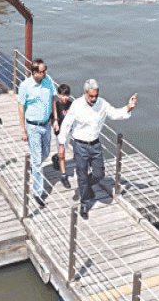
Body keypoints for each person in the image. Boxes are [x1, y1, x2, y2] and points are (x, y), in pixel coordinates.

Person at [58, 79, 138, 219]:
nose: (93, 99)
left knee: (99, 174)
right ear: (85, 93)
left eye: (95, 95)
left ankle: (86, 186)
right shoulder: (77, 105)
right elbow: (66, 124)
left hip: (95, 144)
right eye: (91, 96)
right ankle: (84, 203)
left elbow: (115, 114)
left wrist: (129, 107)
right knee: (82, 174)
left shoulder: (102, 104)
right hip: (80, 144)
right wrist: (61, 143)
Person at [17, 59, 58, 207]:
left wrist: (55, 119)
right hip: (33, 126)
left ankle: (34, 168)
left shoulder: (48, 80)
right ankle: (38, 192)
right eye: (42, 71)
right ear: (34, 73)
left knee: (45, 153)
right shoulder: (25, 86)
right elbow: (21, 107)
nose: (45, 73)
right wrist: (23, 130)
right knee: (37, 160)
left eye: (46, 69)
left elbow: (53, 99)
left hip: (46, 124)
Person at [52, 83, 73, 188]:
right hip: (60, 133)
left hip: (69, 132)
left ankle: (56, 158)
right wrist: (54, 124)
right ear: (59, 94)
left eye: (66, 95)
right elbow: (53, 119)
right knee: (62, 153)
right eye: (62, 95)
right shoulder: (56, 105)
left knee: (63, 151)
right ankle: (64, 176)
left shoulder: (71, 105)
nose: (64, 98)